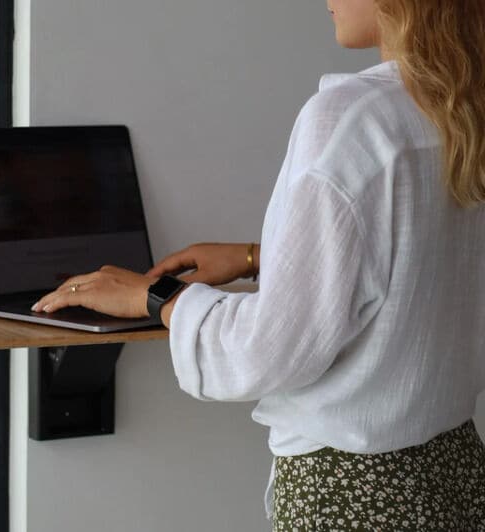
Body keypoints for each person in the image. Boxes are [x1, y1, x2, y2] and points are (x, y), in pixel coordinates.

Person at [33, 0, 485, 529]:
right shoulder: (464, 106)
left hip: (352, 497)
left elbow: (270, 349)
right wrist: (260, 258)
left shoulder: (351, 120)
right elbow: (425, 266)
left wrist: (156, 298)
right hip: (456, 475)